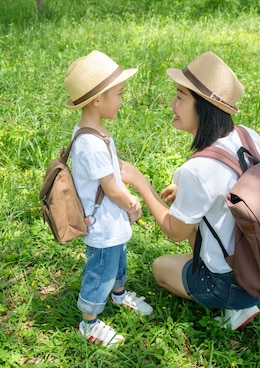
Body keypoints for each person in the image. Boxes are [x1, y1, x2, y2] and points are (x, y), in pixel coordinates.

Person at [120, 51, 260, 330]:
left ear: (203, 107)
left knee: (160, 268)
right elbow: (232, 187)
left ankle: (235, 307)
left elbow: (174, 232)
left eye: (180, 97)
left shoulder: (198, 170)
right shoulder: (249, 136)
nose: (171, 104)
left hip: (233, 282)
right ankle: (238, 296)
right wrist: (186, 191)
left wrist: (142, 183)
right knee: (195, 225)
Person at [64, 50, 153, 347]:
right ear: (98, 100)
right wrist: (131, 203)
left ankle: (118, 294)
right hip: (102, 226)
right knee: (101, 269)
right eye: (119, 93)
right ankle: (89, 321)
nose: (122, 99)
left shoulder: (97, 132)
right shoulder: (89, 142)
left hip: (111, 223)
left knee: (119, 261)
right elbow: (112, 188)